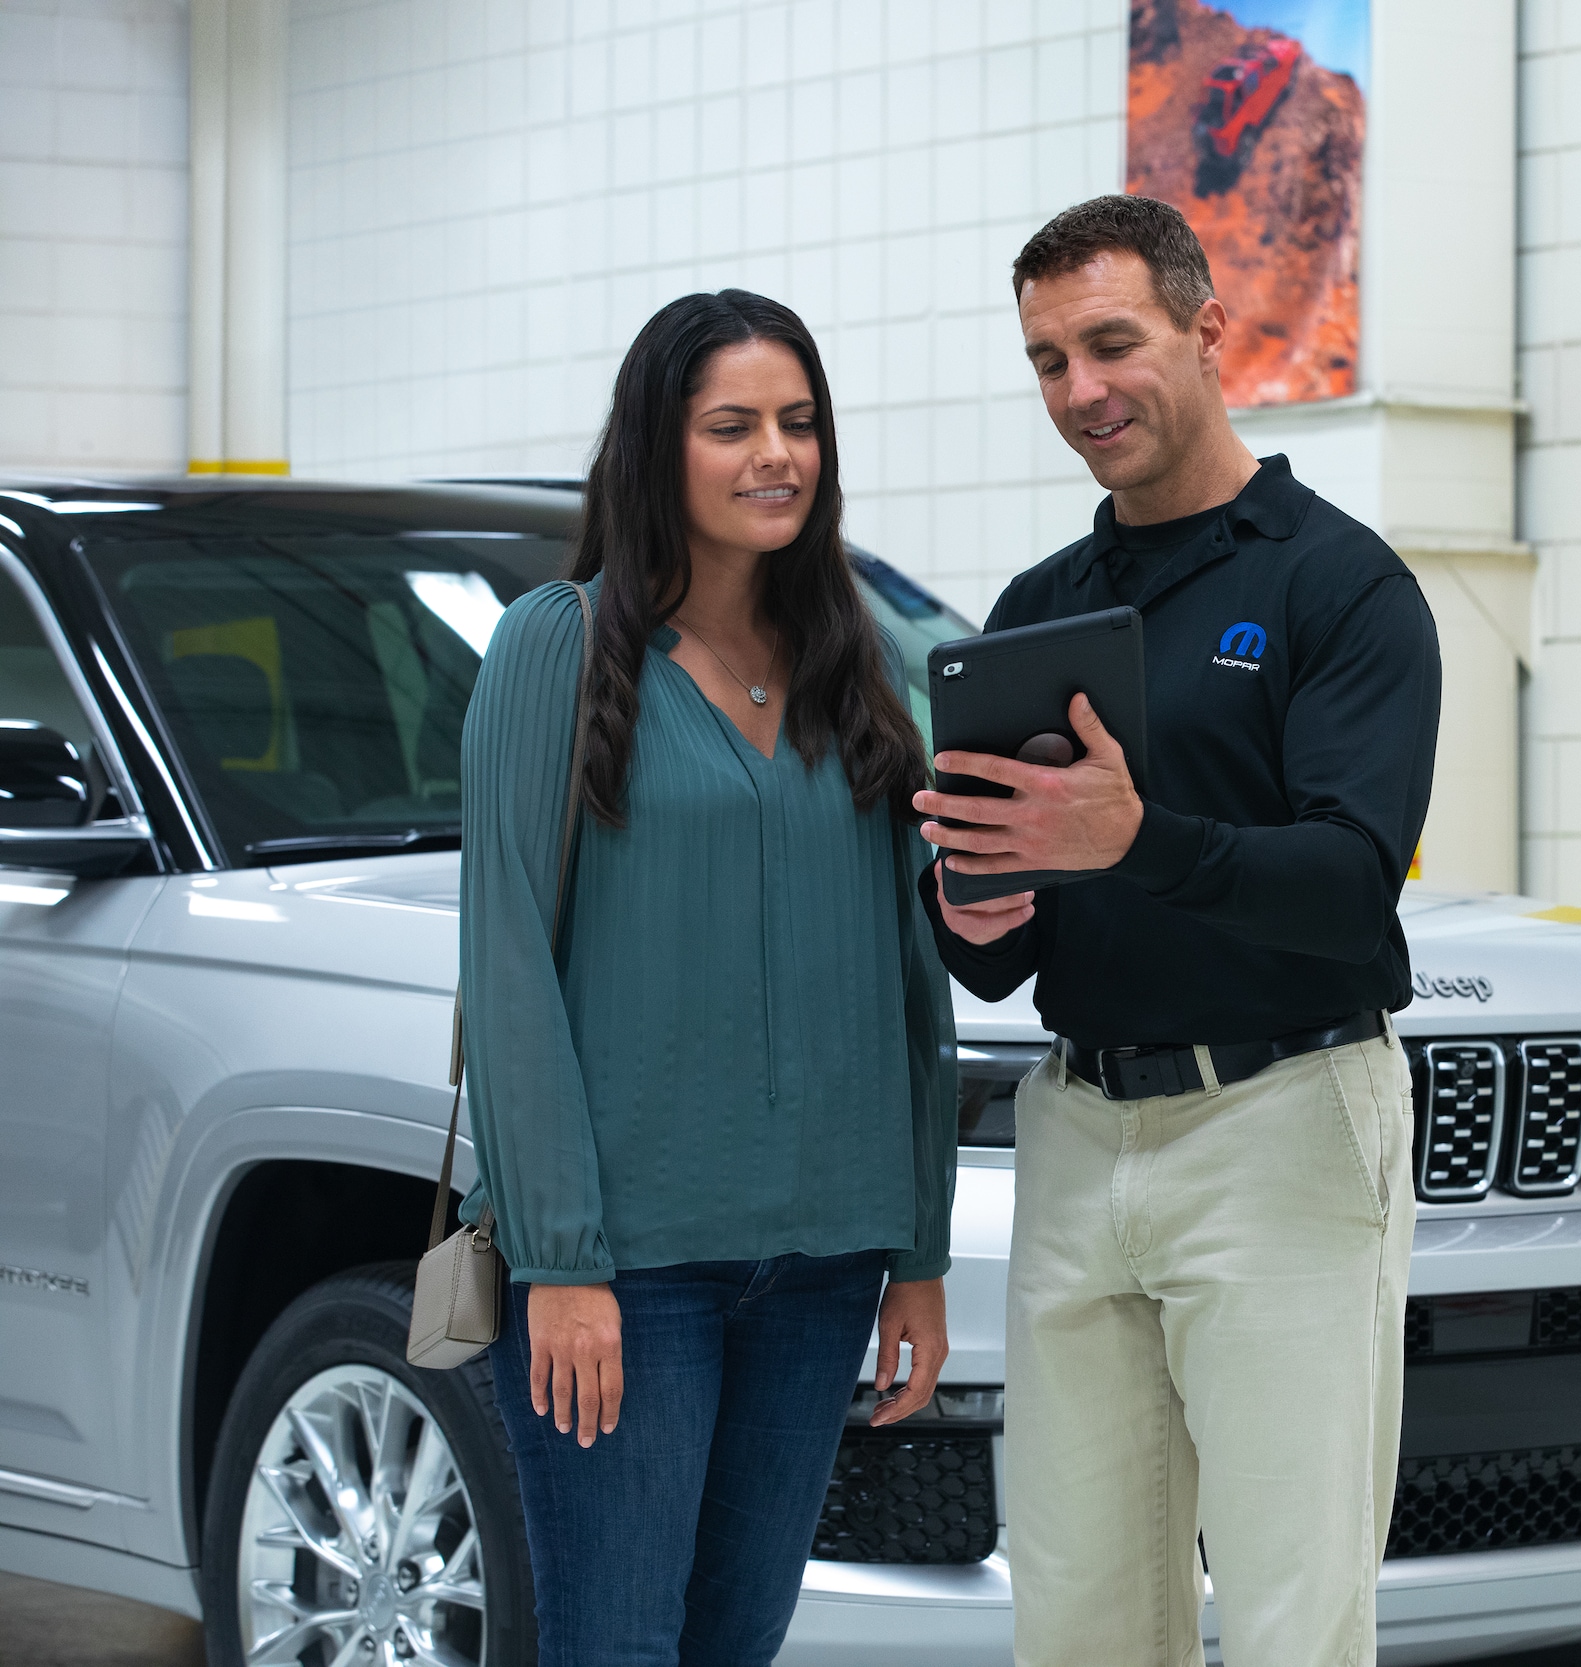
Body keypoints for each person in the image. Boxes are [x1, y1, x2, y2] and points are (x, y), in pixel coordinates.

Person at [913, 195, 1442, 1667]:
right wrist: (966, 888)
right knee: (1076, 1614)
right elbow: (995, 957)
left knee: (1290, 1614)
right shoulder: (1038, 613)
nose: (1081, 392)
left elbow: (1348, 887)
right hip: (1080, 1132)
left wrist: (1139, 841)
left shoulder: (1340, 587)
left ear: (1210, 331)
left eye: (1110, 343)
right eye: (1046, 362)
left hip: (1282, 1123)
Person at [458, 288, 957, 1665]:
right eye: (732, 425)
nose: (775, 454)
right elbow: (508, 969)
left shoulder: (859, 660)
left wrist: (916, 1248)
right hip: (627, 1267)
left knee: (737, 1644)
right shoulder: (553, 647)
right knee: (616, 1645)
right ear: (656, 449)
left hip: (826, 1259)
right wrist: (558, 1262)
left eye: (798, 424)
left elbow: (910, 977)